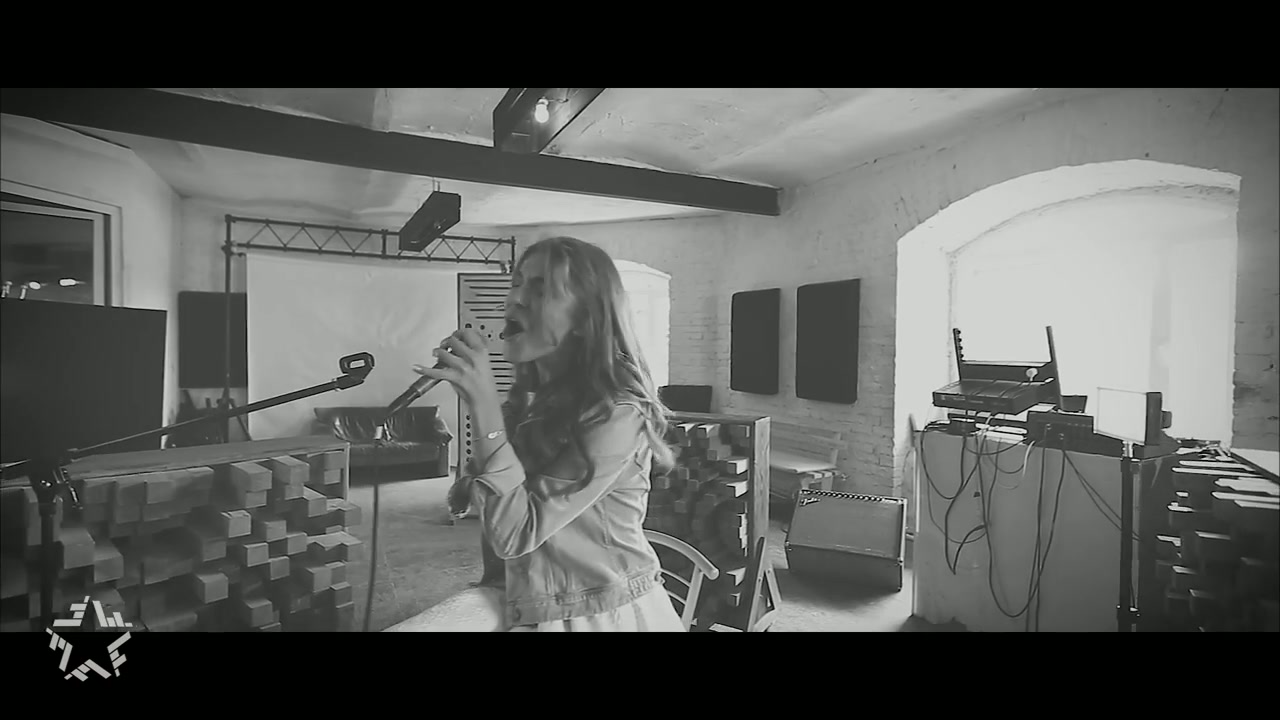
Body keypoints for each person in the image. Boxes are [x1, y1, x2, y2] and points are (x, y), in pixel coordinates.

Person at [383, 236, 685, 632]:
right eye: (517, 283)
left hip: (599, 611)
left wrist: (483, 406)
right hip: (525, 597)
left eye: (541, 288)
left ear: (585, 319)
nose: (515, 299)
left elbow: (515, 533)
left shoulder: (617, 413)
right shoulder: (530, 401)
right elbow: (477, 504)